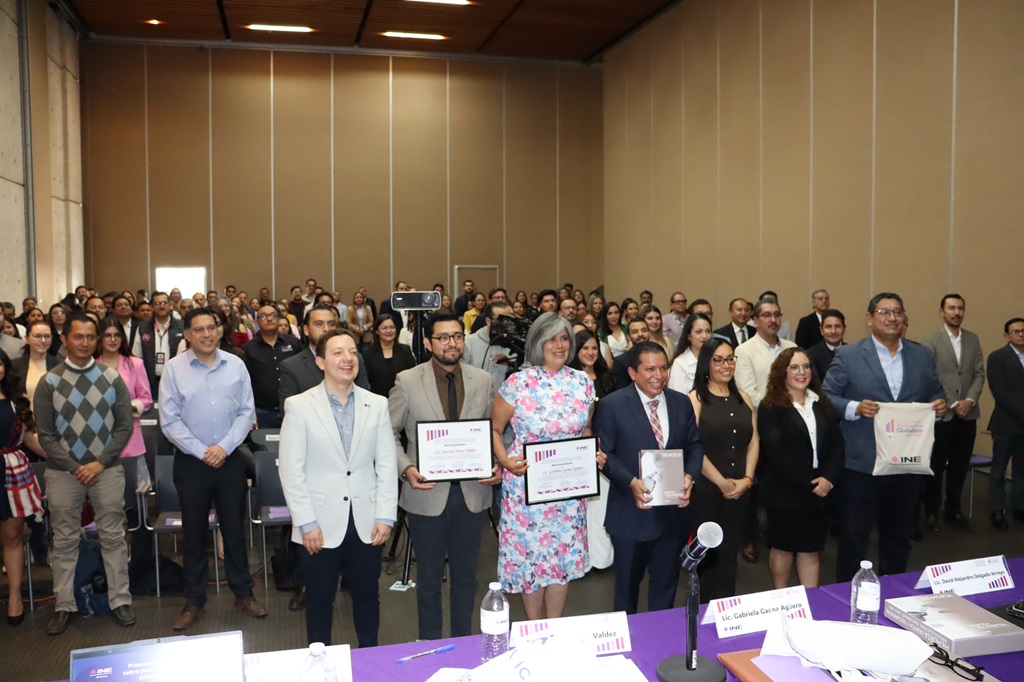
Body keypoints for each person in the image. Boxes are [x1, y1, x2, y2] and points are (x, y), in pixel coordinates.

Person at [278, 328, 396, 647]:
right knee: (318, 602)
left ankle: (370, 663)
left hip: (367, 521)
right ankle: (321, 665)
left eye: (352, 351)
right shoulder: (299, 406)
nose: (347, 358)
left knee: (368, 600)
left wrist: (385, 516)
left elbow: (386, 464)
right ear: (320, 362)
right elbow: (291, 469)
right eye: (337, 352)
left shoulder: (377, 404)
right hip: (318, 524)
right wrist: (306, 521)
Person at [389, 312, 499, 640]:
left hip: (473, 493)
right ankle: (432, 644)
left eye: (457, 336)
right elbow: (388, 434)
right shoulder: (406, 381)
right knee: (428, 580)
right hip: (426, 494)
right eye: (443, 338)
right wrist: (406, 468)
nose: (451, 343)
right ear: (427, 343)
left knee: (467, 578)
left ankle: (465, 643)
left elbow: (495, 431)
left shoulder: (482, 380)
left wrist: (498, 462)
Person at [822, 292, 946, 581]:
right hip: (862, 464)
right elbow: (826, 396)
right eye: (884, 312)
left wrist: (940, 406)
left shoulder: (920, 354)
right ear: (869, 318)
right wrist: (854, 407)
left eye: (897, 312)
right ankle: (846, 598)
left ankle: (894, 595)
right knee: (855, 539)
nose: (892, 318)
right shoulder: (849, 355)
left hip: (906, 462)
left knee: (898, 537)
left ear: (904, 319)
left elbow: (936, 393)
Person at [159, 307, 267, 631]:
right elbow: (169, 420)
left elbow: (247, 412)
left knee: (234, 531)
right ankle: (194, 602)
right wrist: (202, 451)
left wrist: (223, 448)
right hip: (192, 463)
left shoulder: (236, 365)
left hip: (230, 459)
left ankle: (243, 593)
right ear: (188, 335)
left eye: (211, 328)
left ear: (220, 331)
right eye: (198, 329)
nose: (206, 334)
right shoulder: (174, 370)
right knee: (194, 536)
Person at [491, 313, 599, 619]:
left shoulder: (582, 382)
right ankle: (533, 629)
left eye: (564, 337)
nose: (559, 344)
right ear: (538, 342)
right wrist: (505, 461)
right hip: (527, 489)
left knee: (560, 562)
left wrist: (591, 452)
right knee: (531, 563)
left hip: (567, 490)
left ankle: (555, 630)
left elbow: (586, 429)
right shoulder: (518, 383)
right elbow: (495, 430)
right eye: (551, 338)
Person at [34, 312, 135, 634]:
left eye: (91, 337)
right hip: (64, 474)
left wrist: (99, 462)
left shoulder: (111, 378)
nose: (85, 343)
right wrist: (76, 466)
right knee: (64, 540)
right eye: (78, 337)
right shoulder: (49, 382)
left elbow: (123, 427)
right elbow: (46, 435)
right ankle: (64, 604)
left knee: (113, 537)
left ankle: (120, 600)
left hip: (106, 470)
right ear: (64, 340)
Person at [596, 341, 704, 613]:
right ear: (633, 373)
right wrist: (631, 482)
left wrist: (690, 477)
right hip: (631, 513)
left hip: (672, 516)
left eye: (664, 368)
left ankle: (659, 643)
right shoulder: (612, 405)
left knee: (666, 588)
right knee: (626, 590)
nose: (659, 375)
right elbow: (605, 454)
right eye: (650, 369)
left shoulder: (681, 402)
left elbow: (695, 446)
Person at [757, 348, 844, 588]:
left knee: (810, 551)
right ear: (782, 372)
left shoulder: (821, 402)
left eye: (806, 367)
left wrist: (828, 479)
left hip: (820, 491)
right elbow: (775, 454)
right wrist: (811, 482)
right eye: (794, 367)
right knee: (782, 550)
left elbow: (837, 446)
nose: (801, 372)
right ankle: (782, 602)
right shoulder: (770, 406)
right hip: (785, 492)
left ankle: (810, 603)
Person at [687, 337, 758, 602]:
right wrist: (723, 484)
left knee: (730, 553)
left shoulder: (744, 398)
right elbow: (694, 447)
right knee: (707, 555)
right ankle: (703, 614)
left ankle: (726, 610)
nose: (726, 365)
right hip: (707, 491)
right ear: (707, 363)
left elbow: (754, 441)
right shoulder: (694, 399)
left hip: (740, 490)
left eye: (730, 359)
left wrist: (747, 480)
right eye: (718, 360)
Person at [919, 294, 985, 532]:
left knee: (960, 465)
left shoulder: (972, 339)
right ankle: (931, 512)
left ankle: (953, 510)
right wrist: (950, 402)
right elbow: (928, 376)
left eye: (960, 308)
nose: (956, 312)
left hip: (968, 414)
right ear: (942, 312)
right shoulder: (930, 339)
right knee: (935, 467)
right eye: (951, 308)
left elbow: (979, 374)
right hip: (942, 414)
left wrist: (969, 400)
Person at [0, 349, 46, 625]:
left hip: (11, 469)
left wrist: (63, 458)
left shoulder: (17, 402)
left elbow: (30, 439)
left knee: (12, 536)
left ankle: (15, 597)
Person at [97, 318, 153, 485]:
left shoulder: (135, 363)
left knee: (131, 488)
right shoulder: (91, 364)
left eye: (117, 335)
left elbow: (146, 398)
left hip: (129, 431)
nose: (113, 340)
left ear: (123, 338)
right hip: (98, 433)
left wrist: (126, 408)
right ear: (100, 337)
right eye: (108, 335)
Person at [986, 317, 1024, 530]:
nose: (1020, 334)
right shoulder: (997, 358)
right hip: (1005, 424)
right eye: (1016, 331)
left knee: (1022, 470)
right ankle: (997, 510)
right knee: (998, 470)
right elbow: (999, 392)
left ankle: (1020, 507)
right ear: (1006, 335)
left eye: (1023, 331)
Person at [243, 305, 302, 429]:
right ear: (257, 321)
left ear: (279, 319)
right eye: (264, 316)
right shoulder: (249, 349)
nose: (269, 319)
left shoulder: (293, 343)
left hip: (295, 411)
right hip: (263, 414)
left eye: (273, 315)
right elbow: (245, 384)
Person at [132, 291, 185, 398]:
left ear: (170, 305)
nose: (162, 306)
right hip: (150, 380)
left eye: (165, 303)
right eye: (157, 303)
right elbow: (136, 357)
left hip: (176, 380)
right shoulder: (143, 327)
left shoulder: (182, 326)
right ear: (151, 307)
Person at [362, 314, 415, 397]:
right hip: (376, 400)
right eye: (384, 328)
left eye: (392, 327)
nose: (389, 331)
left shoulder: (405, 350)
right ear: (377, 331)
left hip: (402, 399)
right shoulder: (368, 354)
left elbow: (412, 377)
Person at [15, 321, 59, 412]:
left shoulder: (59, 365)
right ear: (26, 339)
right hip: (25, 421)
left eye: (47, 336)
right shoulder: (15, 365)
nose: (43, 340)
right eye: (37, 336)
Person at [668, 313, 712, 395]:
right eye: (699, 332)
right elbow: (677, 397)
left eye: (708, 331)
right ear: (689, 335)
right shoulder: (680, 363)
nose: (704, 336)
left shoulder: (717, 359)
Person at [570, 330, 615, 401]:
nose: (590, 353)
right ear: (576, 350)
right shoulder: (570, 379)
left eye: (594, 348)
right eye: (585, 348)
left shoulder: (607, 375)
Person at [806, 309, 847, 380]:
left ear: (844, 329)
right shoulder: (811, 355)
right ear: (821, 330)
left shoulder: (852, 352)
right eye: (828, 327)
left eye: (837, 326)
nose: (833, 331)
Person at [611, 318, 650, 390]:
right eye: (635, 332)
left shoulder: (658, 355)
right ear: (628, 337)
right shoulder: (621, 361)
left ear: (649, 333)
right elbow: (621, 391)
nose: (640, 334)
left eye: (644, 330)